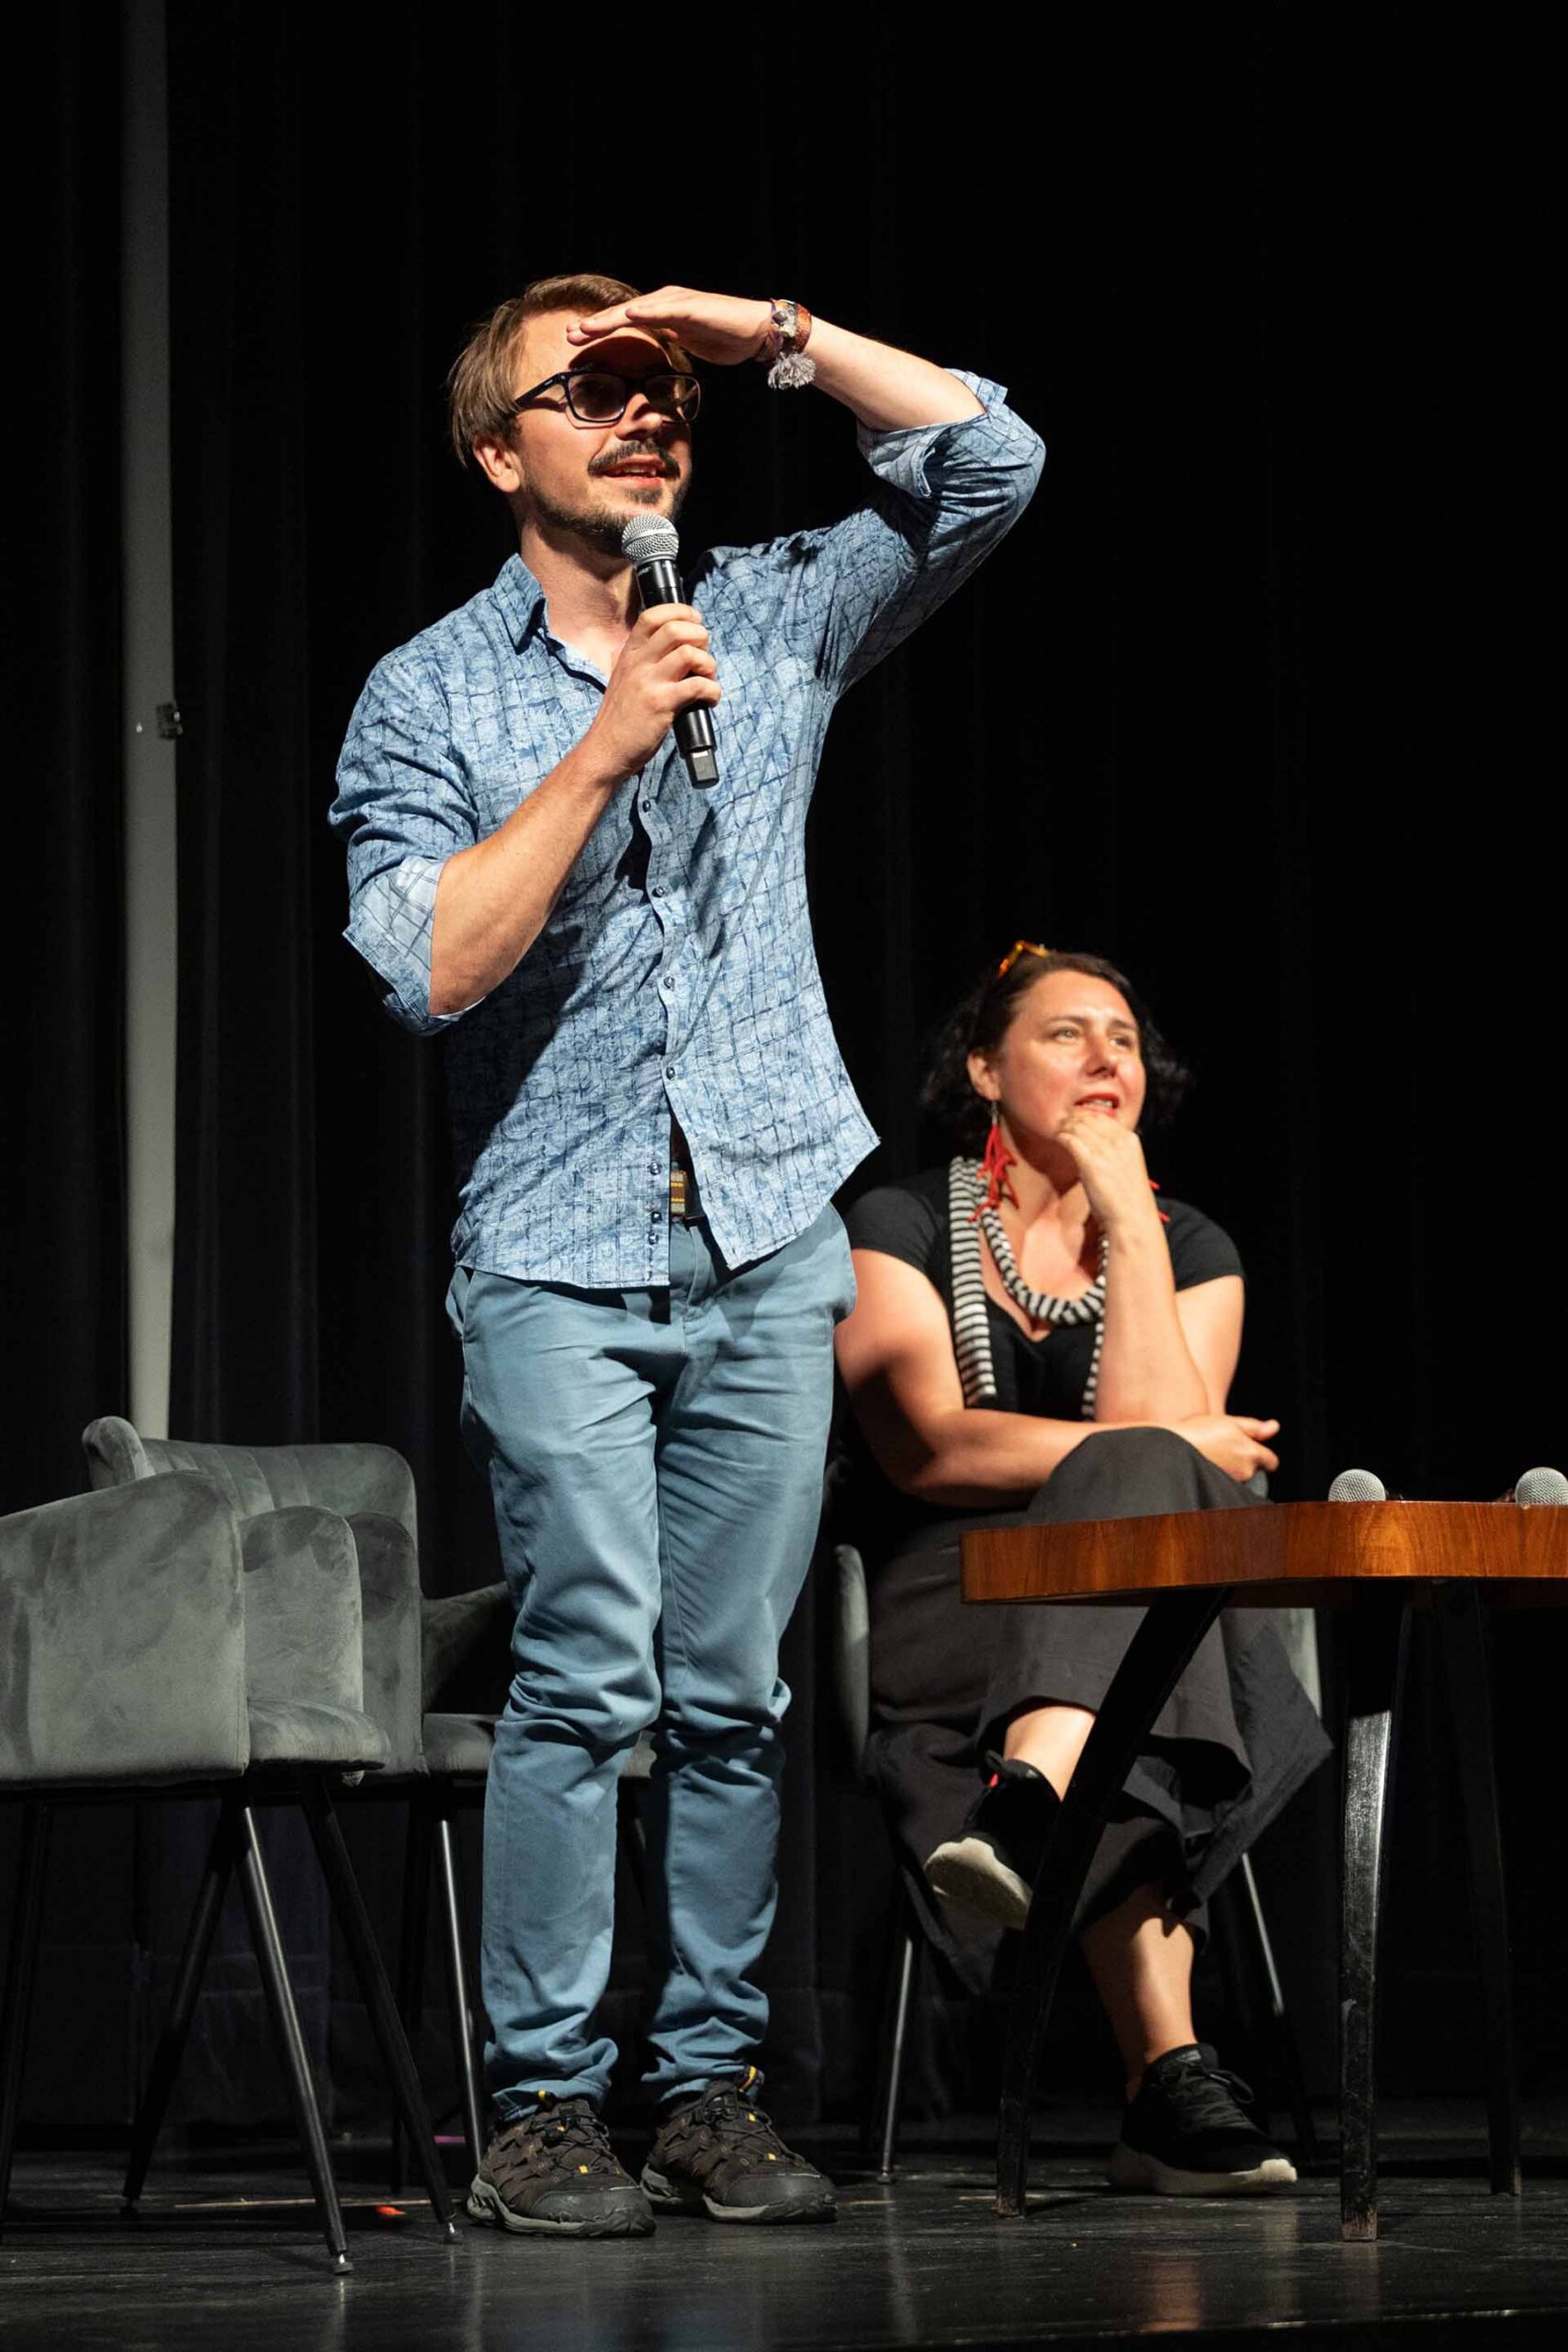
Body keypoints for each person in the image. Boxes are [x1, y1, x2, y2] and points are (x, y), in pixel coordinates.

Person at [330, 276, 1043, 2236]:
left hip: (764, 1229)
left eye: (663, 394)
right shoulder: (428, 691)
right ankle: (544, 2105)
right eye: (592, 393)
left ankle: (710, 2084)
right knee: (586, 1680)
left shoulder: (776, 606)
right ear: (499, 453)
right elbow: (425, 965)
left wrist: (772, 334)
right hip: (555, 1248)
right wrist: (605, 743)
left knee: (732, 1694)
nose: (645, 417)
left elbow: (992, 460)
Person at [833, 943, 1330, 2195]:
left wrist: (1130, 1223)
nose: (1106, 1056)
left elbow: (1155, 1462)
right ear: (984, 1071)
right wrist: (1166, 1448)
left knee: (1145, 1585)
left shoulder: (1191, 1244)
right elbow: (931, 1447)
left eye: (1123, 1038)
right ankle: (1167, 2083)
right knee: (1150, 1587)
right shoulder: (898, 1223)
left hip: (1142, 1607)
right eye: (1065, 1033)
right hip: (955, 1598)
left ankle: (1032, 1796)